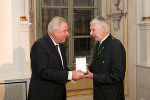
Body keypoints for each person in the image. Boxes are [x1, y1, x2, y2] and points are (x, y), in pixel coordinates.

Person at [28, 16, 84, 100]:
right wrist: (70, 75)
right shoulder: (39, 45)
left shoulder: (61, 46)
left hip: (59, 94)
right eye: (65, 31)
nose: (67, 34)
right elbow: (44, 72)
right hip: (43, 95)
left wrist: (76, 72)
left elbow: (62, 69)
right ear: (55, 32)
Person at [85, 16, 126, 100]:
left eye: (93, 30)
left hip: (111, 96)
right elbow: (98, 66)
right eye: (90, 30)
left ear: (103, 28)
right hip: (99, 94)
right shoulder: (98, 45)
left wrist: (94, 76)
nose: (91, 33)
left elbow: (118, 75)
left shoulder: (115, 46)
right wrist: (86, 68)